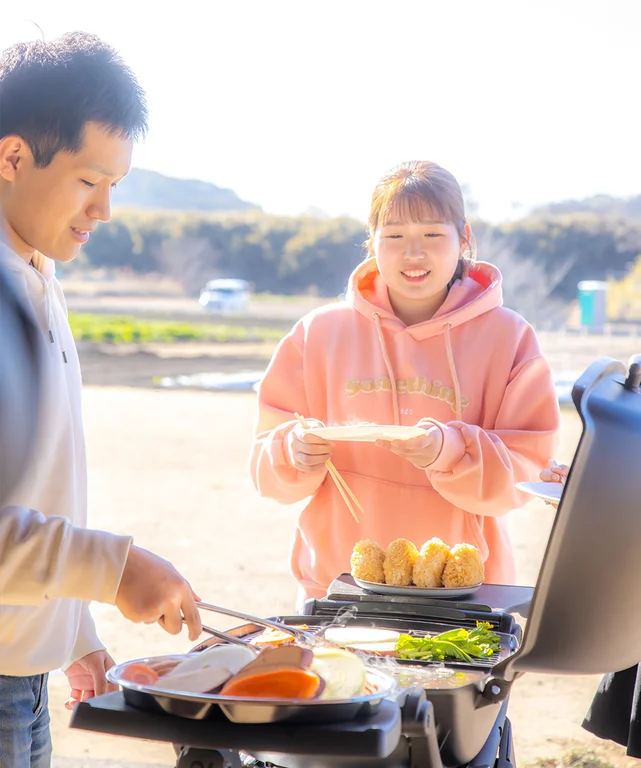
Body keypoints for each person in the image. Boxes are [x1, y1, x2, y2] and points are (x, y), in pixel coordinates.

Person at [0, 32, 202, 767]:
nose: (105, 209)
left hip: (23, 677)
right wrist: (115, 568)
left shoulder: (36, 276)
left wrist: (74, 630)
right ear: (11, 157)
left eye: (114, 183)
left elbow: (32, 489)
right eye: (89, 179)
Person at [250, 159, 561, 605]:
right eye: (394, 236)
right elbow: (265, 467)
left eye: (432, 235)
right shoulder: (318, 333)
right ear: (372, 241)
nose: (413, 254)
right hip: (337, 585)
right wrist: (291, 452)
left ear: (464, 238)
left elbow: (527, 470)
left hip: (463, 592)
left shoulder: (509, 337)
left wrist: (449, 451)